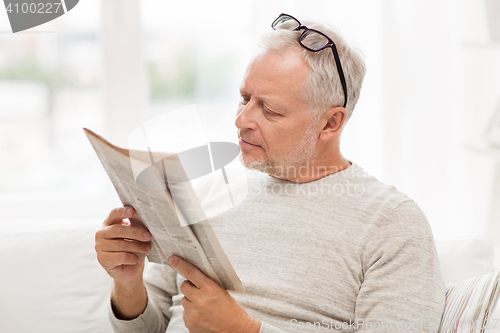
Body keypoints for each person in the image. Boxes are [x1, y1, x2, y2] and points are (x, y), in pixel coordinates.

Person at [95, 13, 445, 333]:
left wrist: (245, 330)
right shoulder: (205, 192)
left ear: (331, 123)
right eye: (244, 97)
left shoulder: (392, 222)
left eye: (270, 110)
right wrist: (128, 284)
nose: (242, 120)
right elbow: (149, 327)